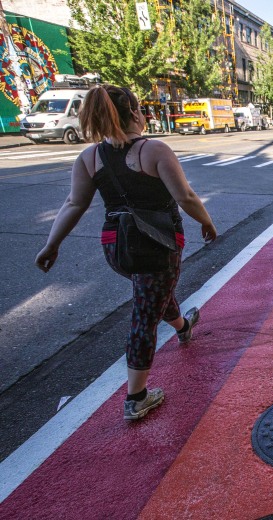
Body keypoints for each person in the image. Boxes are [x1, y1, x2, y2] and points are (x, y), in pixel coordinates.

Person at [34, 84, 218, 421]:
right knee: (145, 313)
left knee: (153, 292)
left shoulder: (89, 157)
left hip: (116, 247)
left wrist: (52, 244)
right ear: (134, 111)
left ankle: (182, 326)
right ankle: (136, 397)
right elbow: (186, 197)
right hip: (158, 244)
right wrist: (206, 222)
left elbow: (74, 203)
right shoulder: (154, 150)